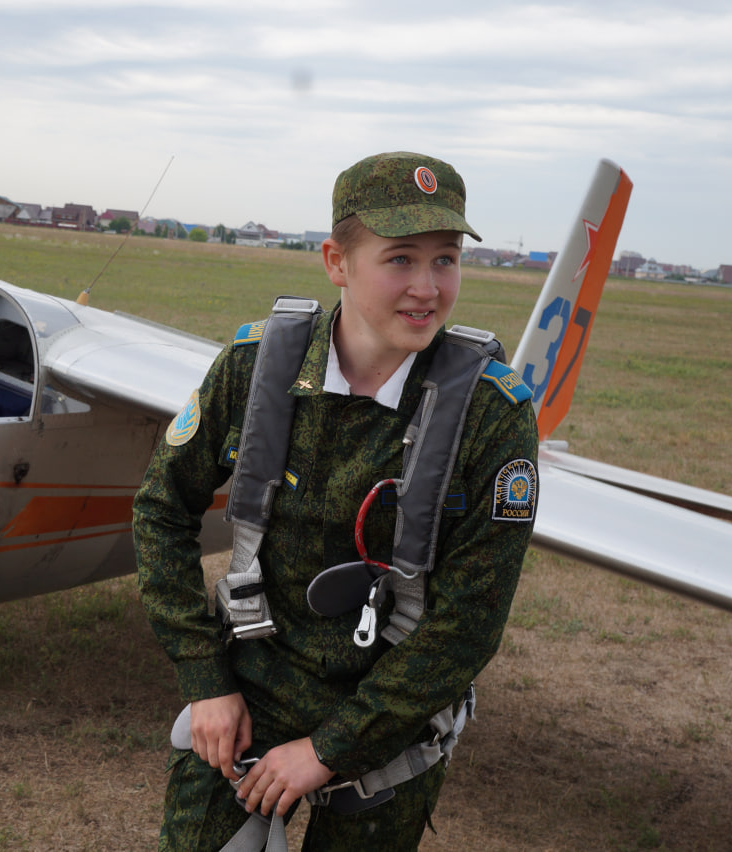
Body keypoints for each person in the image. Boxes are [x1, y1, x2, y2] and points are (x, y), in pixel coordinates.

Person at [132, 152, 539, 850]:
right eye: (401, 259)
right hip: (248, 690)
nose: (427, 288)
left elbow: (467, 625)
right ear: (336, 261)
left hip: (388, 721)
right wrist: (205, 679)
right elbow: (161, 507)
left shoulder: (490, 415)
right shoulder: (257, 371)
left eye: (445, 260)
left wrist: (331, 748)